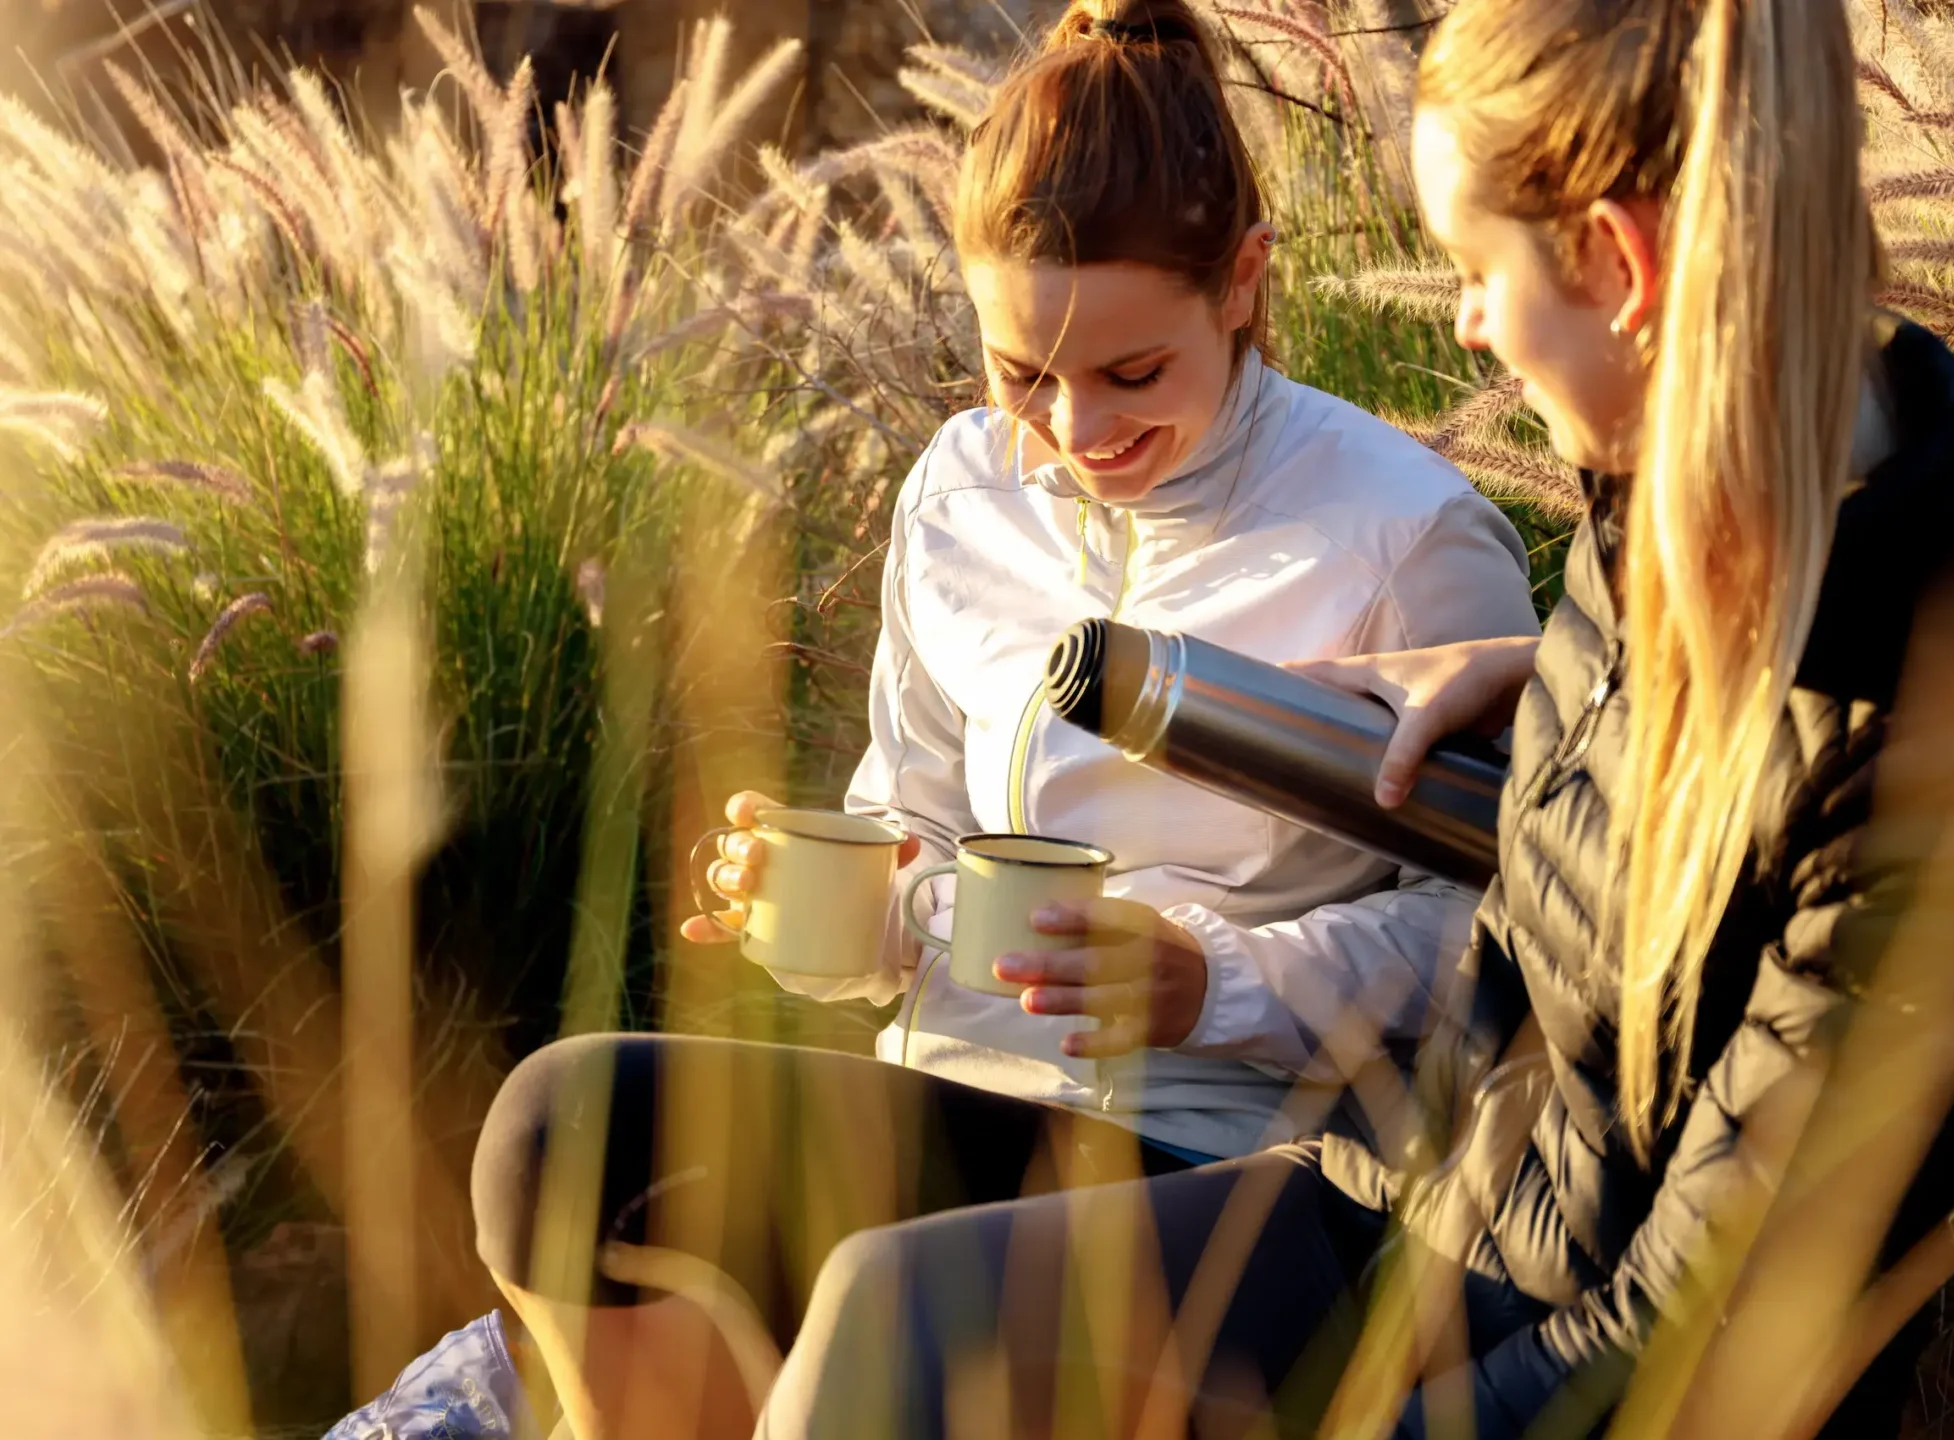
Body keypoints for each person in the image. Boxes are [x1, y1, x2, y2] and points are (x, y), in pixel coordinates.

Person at [751, 0, 1954, 1433]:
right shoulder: (1651, 507)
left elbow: (1706, 1315)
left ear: (1621, 262)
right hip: (1412, 1206)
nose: (1466, 325)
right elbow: (1529, 974)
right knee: (885, 1313)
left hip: (1575, 1354)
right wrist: (1547, 680)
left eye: (1479, 271)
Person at [440, 2, 1543, 1436]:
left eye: (1130, 375)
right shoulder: (960, 487)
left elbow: (1496, 948)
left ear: (1245, 285)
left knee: (896, 1293)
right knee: (553, 1128)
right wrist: (844, 910)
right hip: (962, 1096)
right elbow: (917, 831)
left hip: (1219, 1161)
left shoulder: (1407, 535)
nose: (1074, 436)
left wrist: (1212, 983)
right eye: (1021, 375)